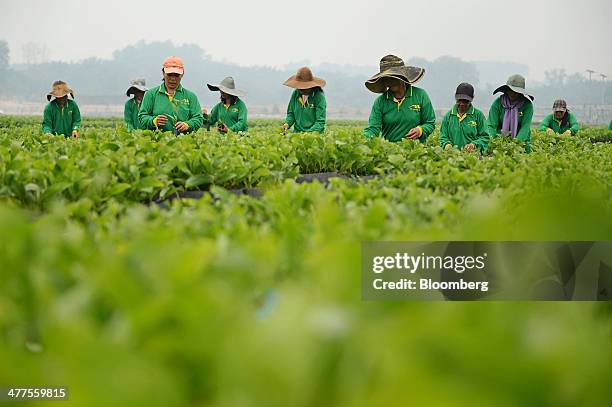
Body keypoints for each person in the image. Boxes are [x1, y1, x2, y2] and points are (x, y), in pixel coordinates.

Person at [363, 55, 435, 143]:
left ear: (402, 77)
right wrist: (363, 140)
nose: (390, 81)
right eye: (387, 78)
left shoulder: (420, 95)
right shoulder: (380, 101)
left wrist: (420, 130)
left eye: (394, 78)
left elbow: (430, 123)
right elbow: (373, 128)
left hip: (417, 151)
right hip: (390, 152)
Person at [138, 56, 203, 134]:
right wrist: (154, 121)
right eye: (169, 74)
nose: (173, 78)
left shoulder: (191, 96)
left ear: (182, 75)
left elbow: (198, 118)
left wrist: (187, 125)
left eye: (176, 75)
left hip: (184, 142)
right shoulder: (151, 94)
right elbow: (142, 117)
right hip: (157, 141)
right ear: (163, 73)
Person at [487, 74, 534, 152]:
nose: (513, 93)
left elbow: (525, 127)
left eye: (516, 91)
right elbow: (491, 125)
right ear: (507, 89)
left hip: (521, 142)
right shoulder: (497, 103)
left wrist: (515, 144)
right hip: (499, 141)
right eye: (511, 90)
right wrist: (493, 142)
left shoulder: (527, 105)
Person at [440, 83, 489, 152]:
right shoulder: (448, 116)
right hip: (452, 157)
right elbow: (443, 136)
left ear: (472, 99)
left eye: (466, 101)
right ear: (455, 97)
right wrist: (447, 145)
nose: (462, 104)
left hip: (473, 157)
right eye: (459, 100)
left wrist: (474, 145)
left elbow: (485, 137)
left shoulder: (478, 115)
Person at [281, 67, 326, 133]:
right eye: (300, 87)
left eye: (304, 87)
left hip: (314, 136)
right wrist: (287, 123)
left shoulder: (319, 96)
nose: (301, 90)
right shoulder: (296, 93)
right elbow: (291, 113)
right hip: (297, 133)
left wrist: (308, 134)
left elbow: (320, 121)